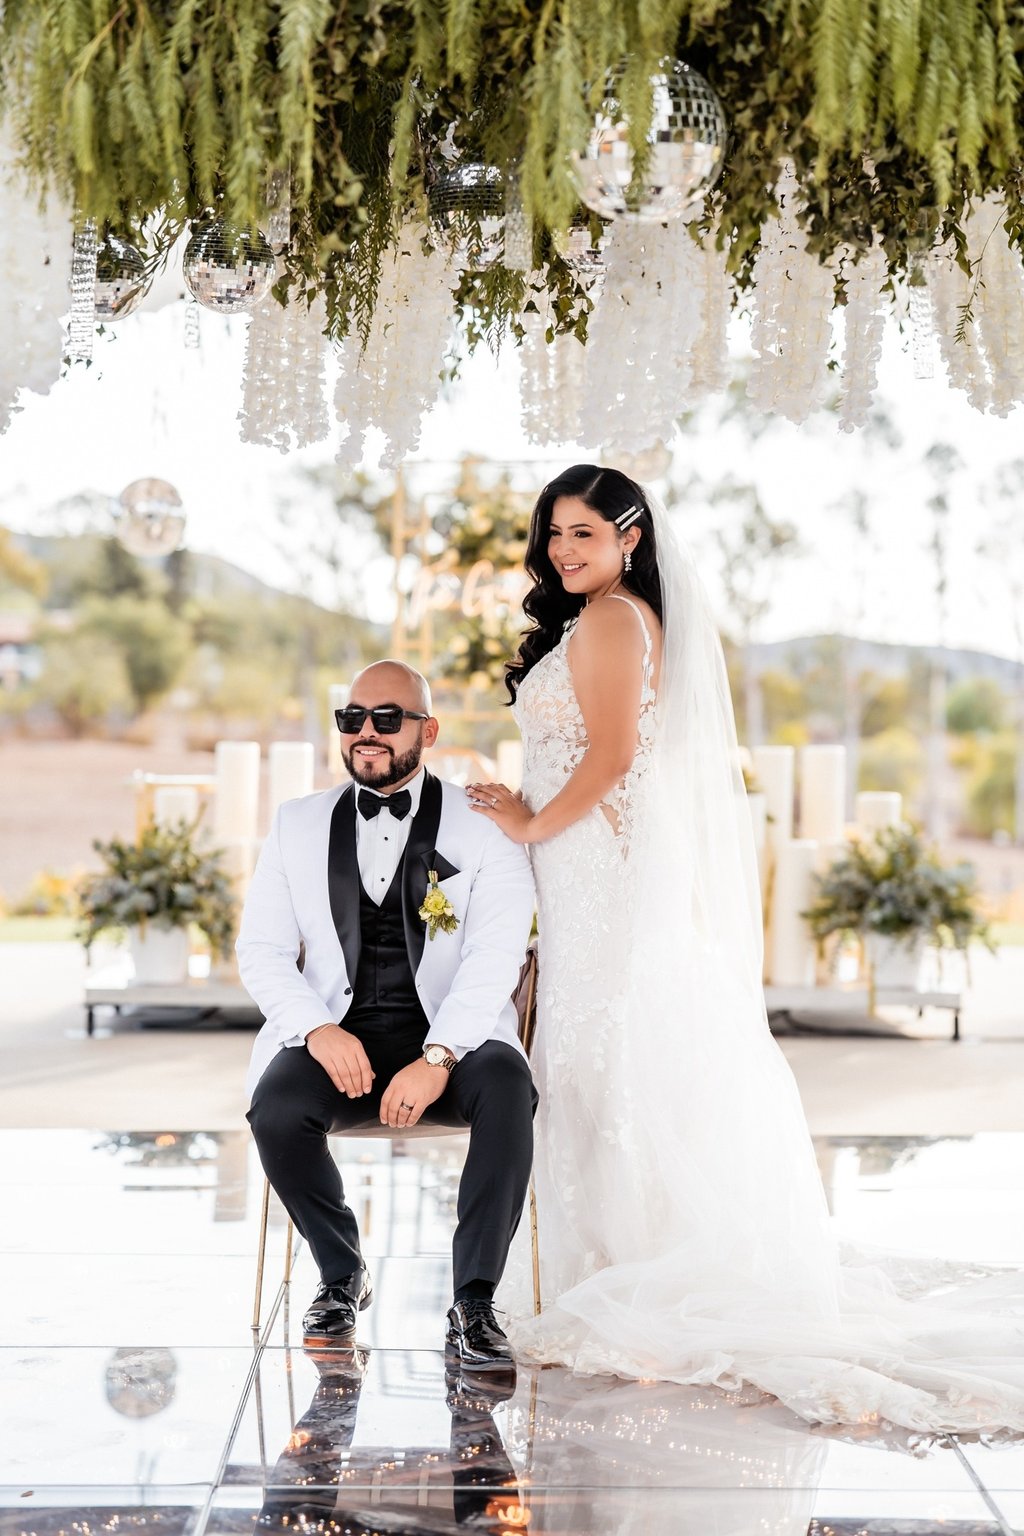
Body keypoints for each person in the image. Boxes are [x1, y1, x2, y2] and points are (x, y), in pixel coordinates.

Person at [466, 463, 1024, 1432]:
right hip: (586, 862)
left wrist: (528, 822)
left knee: (601, 1050)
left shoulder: (612, 620)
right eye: (553, 533)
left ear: (630, 538)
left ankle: (626, 1267)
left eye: (583, 533)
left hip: (598, 861)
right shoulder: (606, 616)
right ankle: (606, 1258)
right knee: (594, 1051)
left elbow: (611, 757)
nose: (562, 550)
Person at [238, 660, 536, 1373]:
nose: (366, 732)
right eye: (353, 718)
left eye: (387, 717)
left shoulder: (485, 824)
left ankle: (475, 1300)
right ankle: (340, 1272)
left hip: (452, 1037)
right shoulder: (296, 824)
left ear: (427, 731)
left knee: (508, 1089)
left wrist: (439, 1058)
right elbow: (261, 950)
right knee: (276, 1109)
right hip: (337, 1033)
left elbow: (496, 956)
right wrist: (317, 1030)